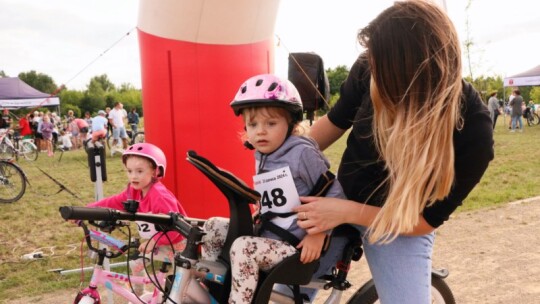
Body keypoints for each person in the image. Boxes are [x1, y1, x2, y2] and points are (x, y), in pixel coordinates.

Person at [292, 1, 494, 303]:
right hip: (341, 195)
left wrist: (345, 212)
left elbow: (425, 220)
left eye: (378, 68)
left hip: (401, 224)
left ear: (411, 75)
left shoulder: (474, 131)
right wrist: (280, 160)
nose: (369, 70)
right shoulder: (367, 66)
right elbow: (332, 123)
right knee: (277, 287)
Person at [201, 74, 345, 304]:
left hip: (295, 246)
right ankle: (214, 289)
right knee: (213, 226)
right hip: (269, 237)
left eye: (271, 123)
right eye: (253, 124)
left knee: (243, 247)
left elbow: (335, 192)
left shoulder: (301, 152)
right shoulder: (263, 154)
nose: (260, 131)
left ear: (291, 123)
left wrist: (318, 234)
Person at [86, 143, 187, 292]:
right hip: (156, 243)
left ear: (155, 171)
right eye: (130, 171)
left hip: (177, 244)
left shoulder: (159, 196)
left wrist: (153, 241)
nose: (133, 176)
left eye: (139, 171)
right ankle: (139, 295)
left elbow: (175, 228)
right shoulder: (133, 191)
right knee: (135, 264)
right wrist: (86, 210)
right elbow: (113, 202)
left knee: (182, 283)